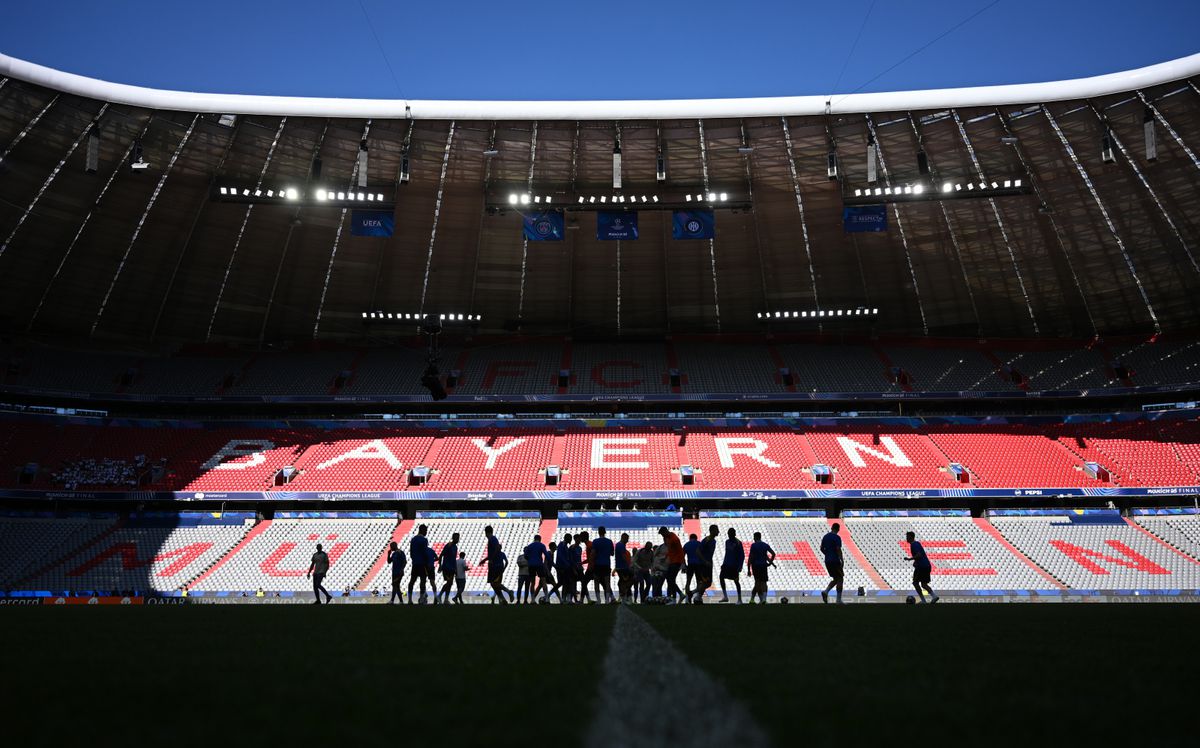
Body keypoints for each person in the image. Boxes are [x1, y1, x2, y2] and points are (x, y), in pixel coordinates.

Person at [479, 525, 514, 604]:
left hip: (496, 565)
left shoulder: (492, 539)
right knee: (493, 584)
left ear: (486, 532)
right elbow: (492, 553)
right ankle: (503, 599)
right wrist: (484, 560)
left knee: (495, 583)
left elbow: (497, 548)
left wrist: (491, 559)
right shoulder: (492, 539)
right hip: (494, 565)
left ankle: (509, 592)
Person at [905, 531, 940, 604]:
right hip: (926, 565)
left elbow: (919, 555)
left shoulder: (914, 544)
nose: (906, 538)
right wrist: (915, 562)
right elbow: (920, 556)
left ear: (911, 537)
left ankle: (923, 601)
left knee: (915, 583)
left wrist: (910, 559)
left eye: (907, 537)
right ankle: (934, 596)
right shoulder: (917, 543)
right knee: (923, 584)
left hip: (921, 567)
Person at [691, 524, 719, 604]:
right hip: (703, 565)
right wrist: (705, 561)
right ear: (712, 531)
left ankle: (692, 594)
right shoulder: (706, 540)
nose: (718, 531)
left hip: (708, 564)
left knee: (707, 583)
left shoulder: (713, 541)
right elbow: (698, 551)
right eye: (717, 530)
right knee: (706, 582)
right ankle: (697, 598)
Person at [747, 532, 776, 604]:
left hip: (756, 566)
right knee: (764, 583)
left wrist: (748, 569)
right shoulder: (765, 545)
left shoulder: (753, 546)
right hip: (763, 566)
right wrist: (771, 563)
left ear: (756, 537)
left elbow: (750, 557)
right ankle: (763, 599)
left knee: (757, 583)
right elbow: (773, 554)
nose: (753, 538)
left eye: (754, 537)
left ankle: (754, 599)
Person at [820, 523, 845, 605]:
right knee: (840, 578)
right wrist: (841, 559)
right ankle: (838, 600)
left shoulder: (825, 536)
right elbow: (838, 549)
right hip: (835, 560)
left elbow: (821, 548)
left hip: (827, 561)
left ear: (831, 528)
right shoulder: (837, 537)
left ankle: (826, 591)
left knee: (836, 579)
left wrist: (827, 554)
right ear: (838, 529)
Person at [658, 526, 685, 603]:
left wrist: (683, 563)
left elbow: (680, 551)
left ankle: (676, 596)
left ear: (665, 532)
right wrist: (665, 557)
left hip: (676, 561)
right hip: (671, 561)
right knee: (670, 579)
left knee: (670, 579)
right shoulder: (667, 538)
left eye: (662, 534)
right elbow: (670, 550)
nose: (662, 536)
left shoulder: (675, 539)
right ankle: (675, 596)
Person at [590, 526, 616, 603]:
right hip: (606, 564)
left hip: (597, 564)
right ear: (605, 532)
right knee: (607, 582)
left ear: (598, 532)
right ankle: (607, 600)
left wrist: (591, 564)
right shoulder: (609, 541)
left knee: (596, 582)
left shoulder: (595, 541)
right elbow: (612, 553)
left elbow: (593, 553)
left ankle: (598, 600)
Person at [719, 528, 744, 603]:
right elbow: (727, 553)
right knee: (721, 577)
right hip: (726, 564)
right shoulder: (727, 542)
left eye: (730, 533)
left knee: (736, 582)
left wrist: (740, 566)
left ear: (734, 534)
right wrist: (723, 563)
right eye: (728, 534)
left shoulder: (738, 543)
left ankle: (739, 599)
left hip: (734, 565)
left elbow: (742, 556)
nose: (729, 535)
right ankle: (725, 597)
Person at [408, 524, 431, 604]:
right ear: (423, 530)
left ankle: (409, 600)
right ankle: (421, 599)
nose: (426, 532)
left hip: (415, 563)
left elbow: (411, 552)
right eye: (426, 531)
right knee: (423, 581)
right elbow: (425, 552)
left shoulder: (413, 539)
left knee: (412, 581)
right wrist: (427, 564)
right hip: (422, 563)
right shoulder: (424, 540)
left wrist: (414, 560)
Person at [524, 534, 549, 602]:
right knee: (543, 581)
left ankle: (532, 600)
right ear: (540, 539)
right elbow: (546, 555)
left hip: (531, 565)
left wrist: (530, 560)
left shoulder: (529, 546)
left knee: (532, 583)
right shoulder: (542, 545)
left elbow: (525, 556)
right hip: (539, 564)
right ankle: (547, 599)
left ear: (534, 539)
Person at [438, 532, 460, 604]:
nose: (458, 539)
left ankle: (446, 599)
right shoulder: (448, 545)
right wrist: (440, 565)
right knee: (449, 582)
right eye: (457, 538)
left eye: (458, 538)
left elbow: (454, 559)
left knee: (450, 584)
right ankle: (439, 595)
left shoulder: (455, 547)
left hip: (452, 568)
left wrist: (455, 569)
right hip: (446, 567)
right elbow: (441, 555)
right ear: (453, 538)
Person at [555, 533, 575, 603]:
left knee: (566, 582)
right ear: (567, 538)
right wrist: (566, 563)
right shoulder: (561, 544)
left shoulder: (565, 546)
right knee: (564, 582)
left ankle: (566, 598)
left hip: (565, 567)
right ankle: (564, 598)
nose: (571, 540)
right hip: (561, 567)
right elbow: (560, 555)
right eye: (570, 538)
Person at [614, 532, 633, 602]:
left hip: (620, 567)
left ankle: (626, 597)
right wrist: (628, 565)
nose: (627, 541)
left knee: (622, 582)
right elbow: (623, 557)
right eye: (627, 539)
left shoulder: (619, 545)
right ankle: (626, 597)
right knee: (624, 582)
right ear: (623, 538)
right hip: (622, 567)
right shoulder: (621, 545)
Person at [682, 533, 701, 602]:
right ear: (696, 538)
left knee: (688, 581)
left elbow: (682, 556)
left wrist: (684, 565)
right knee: (699, 582)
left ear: (690, 538)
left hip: (690, 564)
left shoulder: (686, 545)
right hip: (699, 565)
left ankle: (687, 598)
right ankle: (698, 598)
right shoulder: (699, 544)